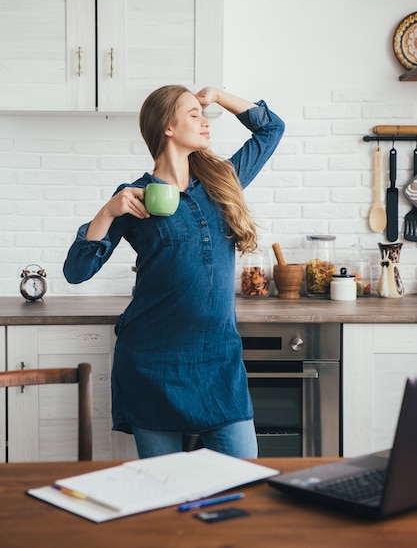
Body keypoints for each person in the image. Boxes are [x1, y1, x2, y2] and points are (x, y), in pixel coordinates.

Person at [63, 85, 285, 459]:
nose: (204, 120)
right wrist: (107, 212)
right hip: (153, 365)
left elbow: (271, 128)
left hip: (218, 361)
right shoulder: (132, 197)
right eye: (193, 114)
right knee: (165, 490)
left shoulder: (223, 182)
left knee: (245, 478)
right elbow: (76, 271)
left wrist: (217, 96)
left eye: (203, 113)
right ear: (168, 126)